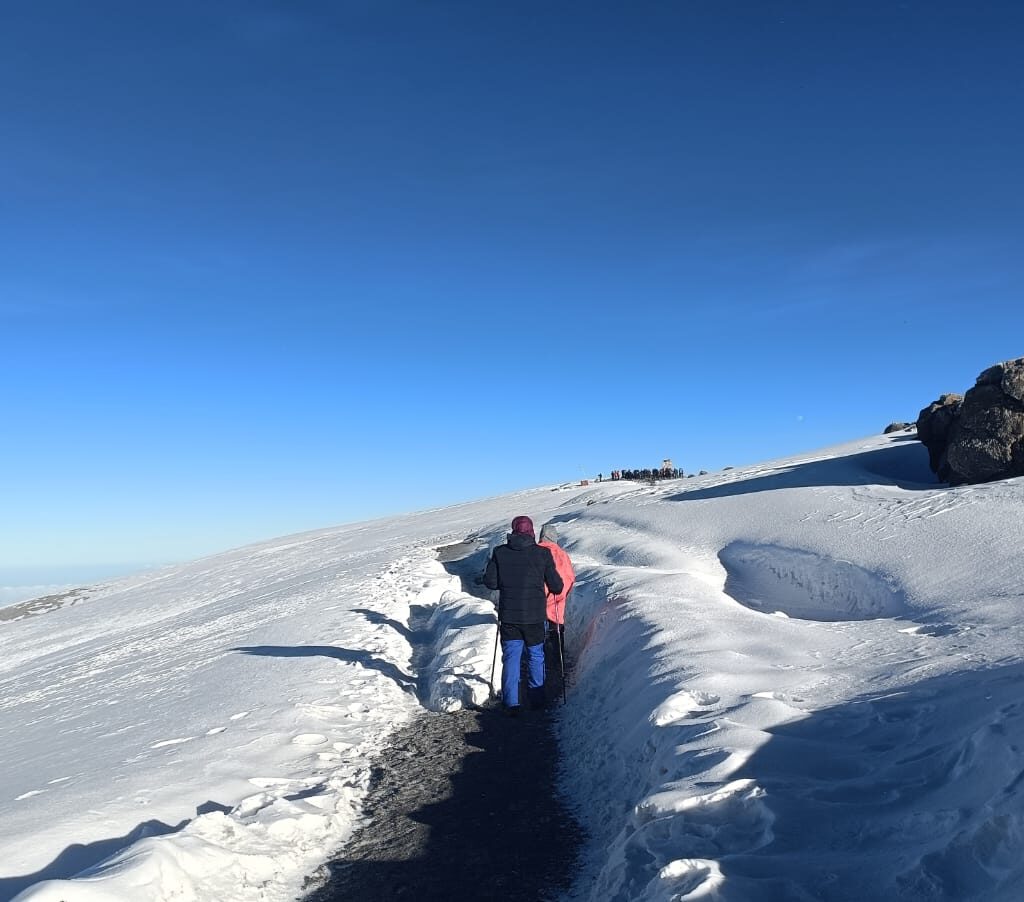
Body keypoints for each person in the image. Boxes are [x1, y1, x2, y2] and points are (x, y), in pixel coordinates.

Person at [483, 515, 563, 715]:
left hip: (509, 616)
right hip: (535, 616)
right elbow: (556, 586)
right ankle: (537, 699)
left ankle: (511, 702)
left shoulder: (500, 553)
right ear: (531, 531)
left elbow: (491, 583)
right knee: (536, 655)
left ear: (513, 530)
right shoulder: (542, 554)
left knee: (511, 656)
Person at [538, 522, 575, 645]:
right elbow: (570, 577)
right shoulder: (563, 555)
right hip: (557, 601)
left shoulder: (535, 552)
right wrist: (563, 594)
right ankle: (557, 662)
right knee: (556, 633)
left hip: (537, 601)